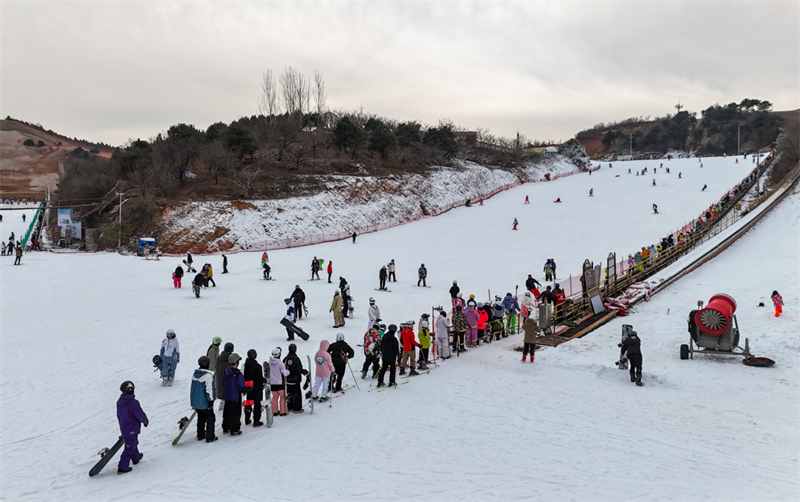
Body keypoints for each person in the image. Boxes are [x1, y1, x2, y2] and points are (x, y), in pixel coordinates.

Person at [116, 381, 148, 474]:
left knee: (133, 442)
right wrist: (145, 421)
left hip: (124, 427)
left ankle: (136, 457)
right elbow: (139, 414)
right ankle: (122, 466)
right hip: (132, 428)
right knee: (130, 446)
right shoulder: (133, 403)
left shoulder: (119, 402)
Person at [190, 356, 218, 442]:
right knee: (210, 418)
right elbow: (209, 390)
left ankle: (200, 434)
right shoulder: (208, 376)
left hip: (196, 402)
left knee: (201, 417)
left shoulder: (195, 374)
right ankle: (210, 436)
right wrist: (210, 400)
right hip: (204, 402)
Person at [222, 353, 247, 434]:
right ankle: (235, 429)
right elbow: (241, 385)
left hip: (227, 394)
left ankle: (226, 427)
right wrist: (246, 389)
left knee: (227, 411)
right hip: (235, 396)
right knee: (235, 413)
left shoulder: (226, 371)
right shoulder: (238, 374)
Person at [283, 343, 308, 413]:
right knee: (297, 394)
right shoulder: (296, 359)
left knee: (289, 393)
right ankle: (297, 408)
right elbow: (298, 369)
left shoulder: (285, 359)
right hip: (295, 380)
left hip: (287, 380)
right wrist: (305, 372)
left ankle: (290, 407)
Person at [243, 349, 265, 427]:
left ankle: (247, 419)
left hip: (248, 387)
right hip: (257, 388)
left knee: (249, 403)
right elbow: (259, 378)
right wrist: (264, 380)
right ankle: (256, 421)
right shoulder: (257, 366)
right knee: (257, 404)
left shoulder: (245, 366)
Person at [268, 347, 290, 416]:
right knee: (282, 397)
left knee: (274, 397)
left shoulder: (270, 363)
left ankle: (275, 411)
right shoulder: (280, 363)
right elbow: (284, 372)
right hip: (280, 383)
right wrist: (288, 372)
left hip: (272, 383)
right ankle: (282, 411)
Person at [215, 342, 234, 410]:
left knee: (222, 394)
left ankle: (222, 405)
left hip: (220, 379)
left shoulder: (219, 358)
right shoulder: (231, 359)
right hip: (228, 380)